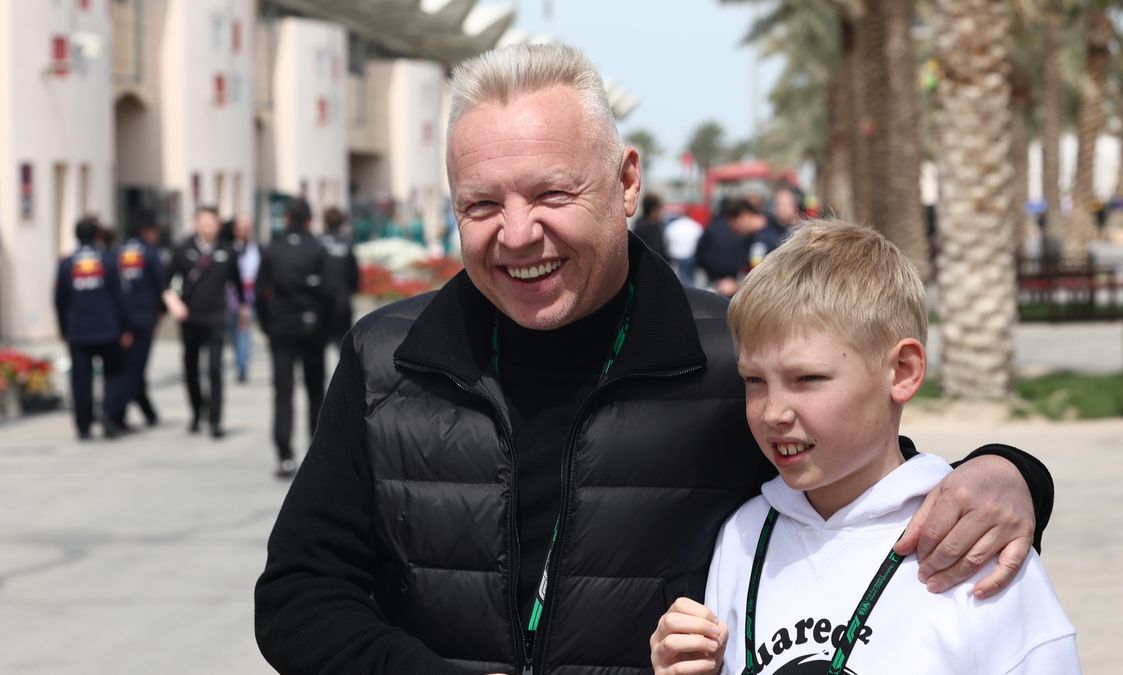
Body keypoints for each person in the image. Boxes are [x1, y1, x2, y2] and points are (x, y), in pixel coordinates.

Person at [255, 44, 1053, 674]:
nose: (519, 232)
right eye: (483, 205)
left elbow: (860, 475)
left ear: (626, 180)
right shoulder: (387, 357)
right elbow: (297, 593)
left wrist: (1010, 471)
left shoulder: (729, 358)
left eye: (552, 194)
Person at [650, 221, 1079, 674]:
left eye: (807, 379)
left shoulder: (973, 545)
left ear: (903, 372)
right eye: (754, 381)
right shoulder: (743, 535)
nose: (773, 411)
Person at [255, 198, 329, 479]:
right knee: (315, 390)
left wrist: (267, 324)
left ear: (286, 219)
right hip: (312, 328)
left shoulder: (273, 250)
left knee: (283, 392)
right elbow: (330, 292)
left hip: (281, 327)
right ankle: (318, 451)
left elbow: (261, 293)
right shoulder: (317, 249)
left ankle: (284, 454)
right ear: (310, 220)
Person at [163, 206, 247, 439]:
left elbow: (237, 284)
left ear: (218, 225)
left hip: (216, 317)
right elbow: (166, 282)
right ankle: (196, 411)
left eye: (212, 222)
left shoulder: (227, 250)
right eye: (204, 222)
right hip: (190, 318)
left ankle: (216, 420)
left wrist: (242, 309)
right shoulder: (182, 249)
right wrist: (174, 303)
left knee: (215, 369)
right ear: (196, 223)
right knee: (191, 367)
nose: (208, 227)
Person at [54, 216, 132, 440]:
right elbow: (120, 296)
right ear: (97, 235)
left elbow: (60, 300)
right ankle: (108, 412)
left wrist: (63, 328)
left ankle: (83, 425)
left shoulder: (67, 263)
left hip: (78, 330)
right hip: (108, 329)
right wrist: (125, 327)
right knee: (115, 373)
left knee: (81, 379)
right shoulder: (108, 260)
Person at [114, 218, 166, 429]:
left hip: (122, 319)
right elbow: (160, 283)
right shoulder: (151, 253)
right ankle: (117, 411)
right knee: (136, 368)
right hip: (144, 318)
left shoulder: (118, 252)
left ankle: (148, 412)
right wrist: (161, 311)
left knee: (130, 365)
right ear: (147, 231)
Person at [318, 206, 360, 347]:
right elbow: (353, 272)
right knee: (343, 344)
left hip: (321, 299)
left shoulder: (318, 242)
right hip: (341, 299)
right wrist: (353, 289)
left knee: (319, 344)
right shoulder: (346, 243)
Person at [228, 215, 261, 383]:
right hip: (228, 295)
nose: (243, 231)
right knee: (232, 332)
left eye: (247, 228)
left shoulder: (257, 249)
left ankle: (242, 366)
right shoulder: (227, 248)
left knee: (243, 332)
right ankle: (238, 358)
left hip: (248, 296)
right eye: (240, 228)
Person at [633, 192, 669, 261]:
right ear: (654, 210)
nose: (661, 212)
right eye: (659, 208)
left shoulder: (638, 223)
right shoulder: (654, 226)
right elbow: (659, 250)